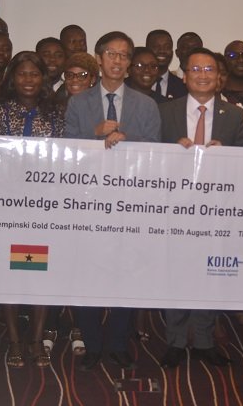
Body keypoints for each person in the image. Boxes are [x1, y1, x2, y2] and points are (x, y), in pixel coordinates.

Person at [64, 31, 160, 370]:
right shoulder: (78, 103)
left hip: (130, 204)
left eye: (124, 55)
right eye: (111, 54)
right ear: (99, 58)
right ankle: (91, 344)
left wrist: (127, 139)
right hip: (88, 203)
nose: (117, 60)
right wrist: (94, 135)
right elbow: (66, 152)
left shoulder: (146, 105)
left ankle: (118, 343)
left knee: (126, 272)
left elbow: (155, 153)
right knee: (87, 273)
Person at [157, 48, 243, 369]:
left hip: (216, 210)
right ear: (184, 75)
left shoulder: (233, 115)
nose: (202, 75)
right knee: (176, 272)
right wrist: (171, 152)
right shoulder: (165, 111)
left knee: (210, 273)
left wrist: (228, 154)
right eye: (195, 69)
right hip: (174, 207)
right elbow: (149, 155)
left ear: (219, 77)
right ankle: (175, 340)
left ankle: (205, 341)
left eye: (209, 69)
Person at [0, 51, 65, 368]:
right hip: (8, 209)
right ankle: (15, 342)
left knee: (41, 273)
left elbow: (65, 161)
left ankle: (37, 340)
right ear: (11, 79)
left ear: (43, 78)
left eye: (34, 73)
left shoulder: (56, 115)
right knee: (11, 274)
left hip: (44, 210)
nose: (28, 79)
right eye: (22, 73)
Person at [146, 29, 188, 99]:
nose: (162, 51)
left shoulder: (183, 87)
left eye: (167, 47)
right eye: (156, 47)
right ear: (147, 50)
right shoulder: (133, 84)